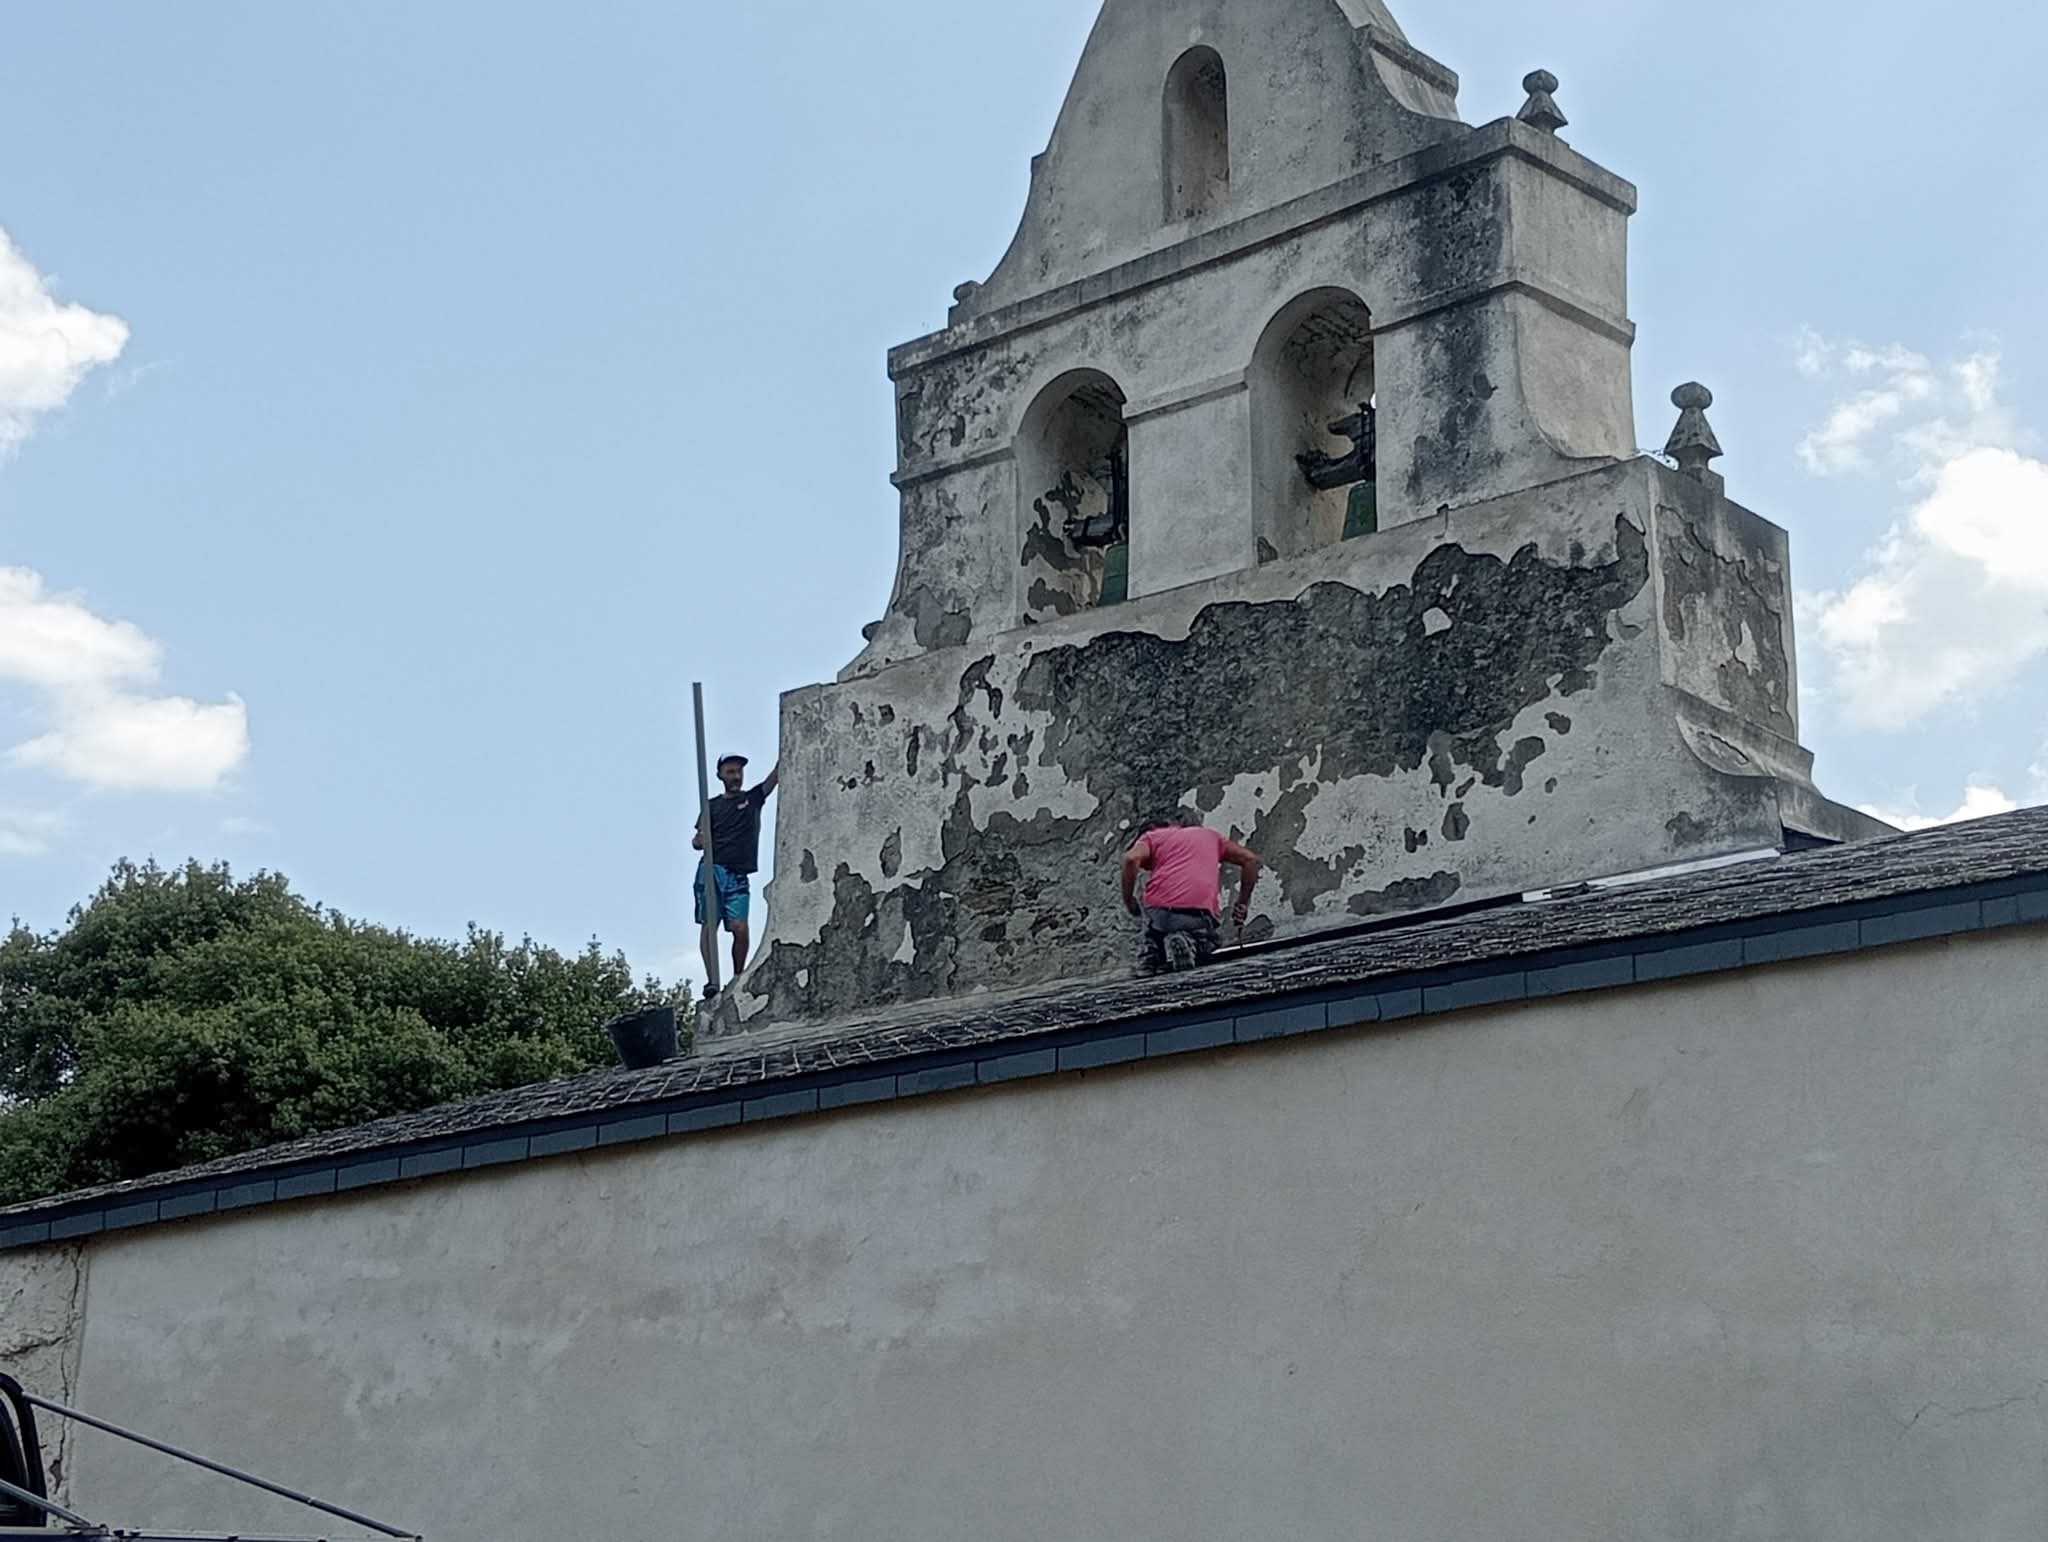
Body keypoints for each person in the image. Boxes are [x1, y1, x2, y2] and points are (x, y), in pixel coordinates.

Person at [1122, 816, 1262, 973]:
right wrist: (1242, 904)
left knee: (1150, 925)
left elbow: (1131, 858)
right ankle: (1190, 943)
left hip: (1161, 913)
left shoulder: (1151, 837)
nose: (1148, 869)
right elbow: (1251, 860)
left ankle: (1150, 957)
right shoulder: (1210, 835)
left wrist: (1129, 900)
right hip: (1200, 915)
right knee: (1209, 942)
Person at [694, 754, 778, 997]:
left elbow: (773, 779)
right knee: (710, 924)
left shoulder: (752, 799)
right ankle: (712, 981)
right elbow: (698, 838)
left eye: (738, 772)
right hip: (713, 869)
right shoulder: (712, 806)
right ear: (721, 775)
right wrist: (699, 841)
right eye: (731, 772)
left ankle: (737, 977)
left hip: (738, 874)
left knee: (740, 928)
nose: (736, 776)